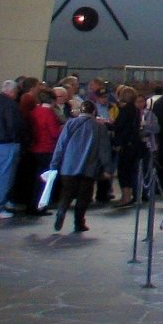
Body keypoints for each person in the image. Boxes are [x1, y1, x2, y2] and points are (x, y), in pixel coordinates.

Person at [48, 98, 112, 232]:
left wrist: (54, 164)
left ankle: (61, 211)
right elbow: (103, 150)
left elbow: (61, 145)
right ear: (94, 111)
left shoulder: (70, 123)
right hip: (89, 166)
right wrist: (107, 168)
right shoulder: (99, 127)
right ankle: (79, 222)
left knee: (66, 193)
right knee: (84, 195)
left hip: (68, 165)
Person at [17, 85, 60, 215]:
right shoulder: (49, 114)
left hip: (34, 148)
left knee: (35, 178)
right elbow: (54, 133)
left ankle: (31, 204)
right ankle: (39, 206)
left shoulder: (34, 111)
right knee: (44, 180)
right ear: (52, 101)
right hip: (46, 149)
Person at [110, 86, 145, 205]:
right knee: (130, 171)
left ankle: (125, 197)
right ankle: (128, 195)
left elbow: (119, 127)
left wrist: (106, 124)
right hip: (134, 144)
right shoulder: (135, 110)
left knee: (123, 171)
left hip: (126, 145)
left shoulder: (126, 110)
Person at [0, 79, 20, 219]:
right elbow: (13, 125)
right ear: (12, 91)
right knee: (5, 176)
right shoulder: (11, 105)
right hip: (7, 143)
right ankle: (0, 206)